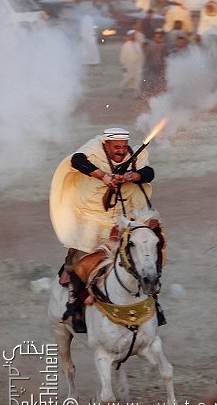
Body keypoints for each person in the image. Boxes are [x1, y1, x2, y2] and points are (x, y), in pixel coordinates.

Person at [50, 127, 155, 332]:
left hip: (121, 219)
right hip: (92, 216)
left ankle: (151, 302)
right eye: (116, 147)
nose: (121, 150)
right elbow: (77, 160)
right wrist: (104, 177)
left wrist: (130, 176)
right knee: (81, 260)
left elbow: (149, 173)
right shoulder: (94, 149)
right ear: (106, 144)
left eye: (124, 147)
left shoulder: (134, 155)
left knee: (142, 255)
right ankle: (76, 306)